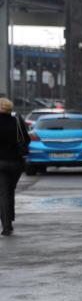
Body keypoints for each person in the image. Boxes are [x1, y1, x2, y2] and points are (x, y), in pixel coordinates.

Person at [0, 98, 29, 236]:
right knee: (9, 191)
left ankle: (6, 225)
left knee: (4, 193)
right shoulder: (17, 122)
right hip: (15, 163)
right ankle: (9, 220)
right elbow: (27, 140)